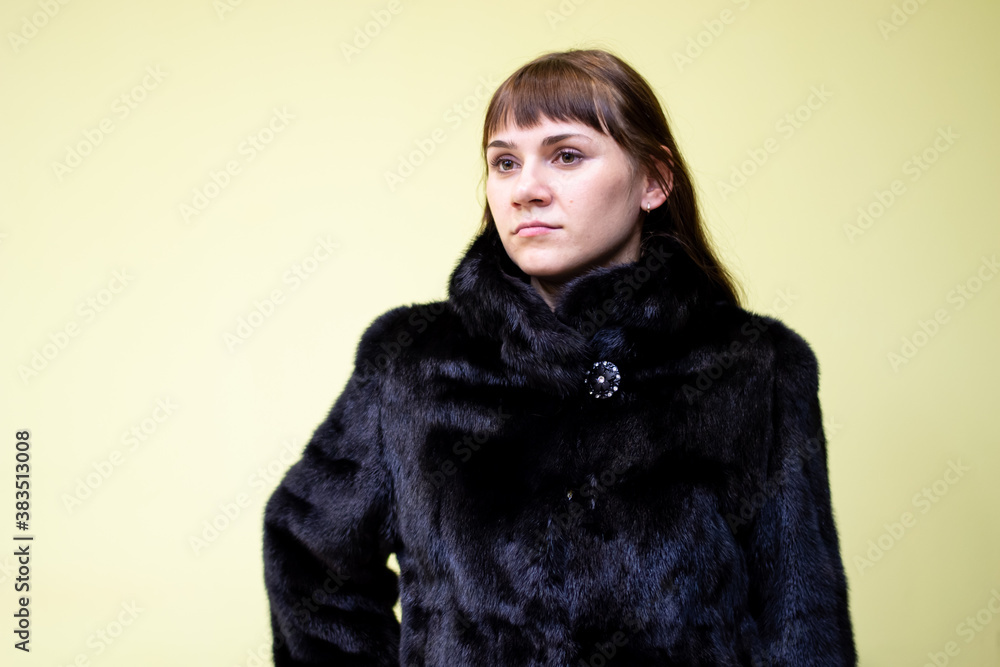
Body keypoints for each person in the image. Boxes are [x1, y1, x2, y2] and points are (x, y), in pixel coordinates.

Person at [262, 48, 858, 666]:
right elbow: (309, 557)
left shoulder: (755, 365)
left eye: (566, 155)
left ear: (654, 181)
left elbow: (802, 617)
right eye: (505, 163)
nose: (526, 190)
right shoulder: (411, 361)